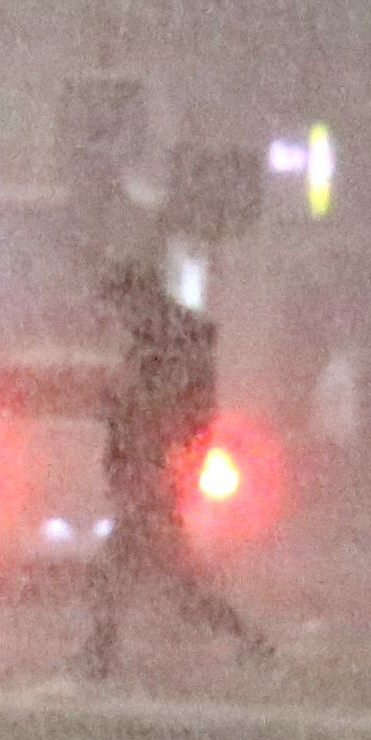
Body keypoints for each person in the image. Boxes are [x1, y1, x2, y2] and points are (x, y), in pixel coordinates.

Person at [84, 254, 273, 680]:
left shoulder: (164, 343)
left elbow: (165, 410)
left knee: (127, 567)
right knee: (171, 573)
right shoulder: (162, 339)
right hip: (152, 468)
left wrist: (152, 454)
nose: (117, 315)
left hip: (154, 470)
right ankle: (246, 640)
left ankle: (100, 650)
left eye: (120, 303)